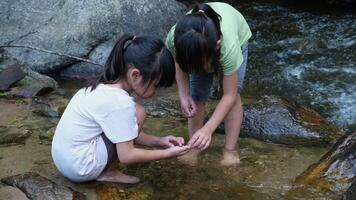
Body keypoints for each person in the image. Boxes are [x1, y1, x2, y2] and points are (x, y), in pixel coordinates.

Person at [51, 34, 190, 184]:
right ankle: (109, 172)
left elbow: (125, 132)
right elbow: (127, 155)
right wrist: (167, 153)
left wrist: (160, 141)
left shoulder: (100, 86)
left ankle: (105, 169)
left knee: (133, 115)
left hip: (64, 161)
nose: (155, 93)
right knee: (139, 112)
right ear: (135, 75)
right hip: (81, 167)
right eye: (155, 85)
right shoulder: (120, 103)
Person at [166, 2, 252, 166]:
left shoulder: (229, 47)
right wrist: (184, 96)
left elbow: (230, 94)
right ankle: (194, 147)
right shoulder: (175, 37)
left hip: (236, 35)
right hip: (201, 46)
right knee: (196, 95)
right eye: (194, 67)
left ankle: (230, 150)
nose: (203, 71)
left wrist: (208, 128)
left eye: (201, 65)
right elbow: (179, 64)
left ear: (216, 47)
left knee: (232, 96)